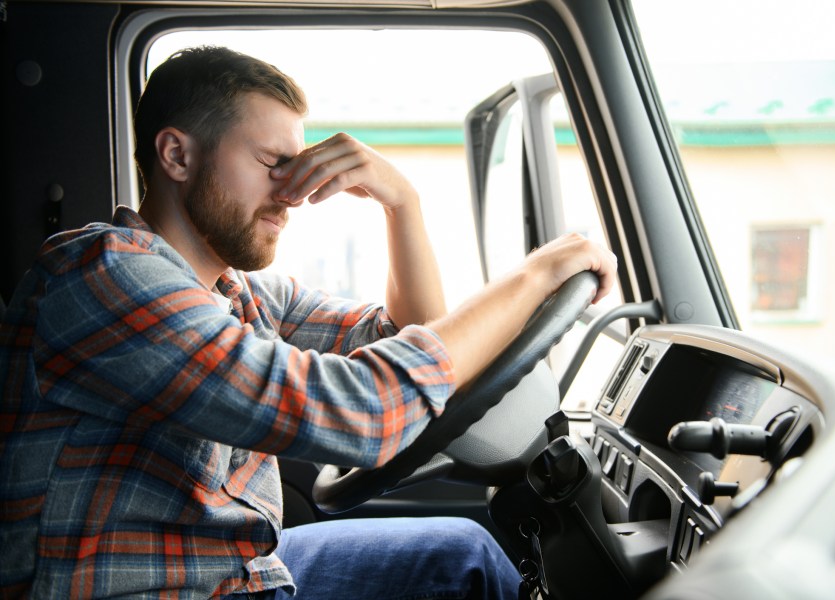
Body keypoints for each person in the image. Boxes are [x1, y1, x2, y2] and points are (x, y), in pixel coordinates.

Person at [0, 46, 617, 599]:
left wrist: (402, 204)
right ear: (177, 154)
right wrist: (536, 275)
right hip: (154, 588)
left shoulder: (238, 295)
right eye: (273, 162)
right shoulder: (104, 276)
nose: (292, 193)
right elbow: (362, 412)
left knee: (463, 555)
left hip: (232, 570)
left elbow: (420, 342)